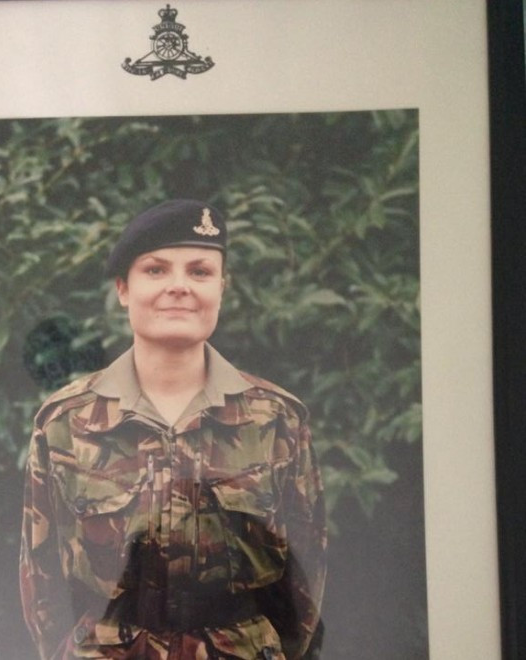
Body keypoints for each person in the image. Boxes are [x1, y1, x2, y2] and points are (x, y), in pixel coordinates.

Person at [20, 199, 327, 660]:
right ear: (124, 289)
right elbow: (42, 586)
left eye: (200, 272)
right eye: (156, 270)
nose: (179, 286)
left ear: (221, 288)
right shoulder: (66, 422)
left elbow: (305, 581)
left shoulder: (275, 419)